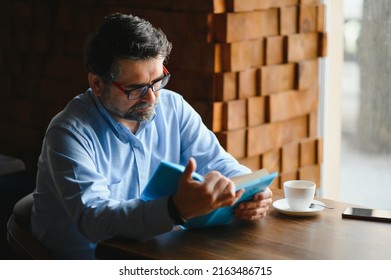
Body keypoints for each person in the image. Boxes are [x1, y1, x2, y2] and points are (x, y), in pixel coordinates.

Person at [31, 13, 273, 259]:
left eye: (158, 81)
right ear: (97, 84)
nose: (153, 98)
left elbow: (218, 161)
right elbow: (95, 220)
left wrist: (249, 191)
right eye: (136, 89)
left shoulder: (173, 107)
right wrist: (174, 209)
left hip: (155, 251)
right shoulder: (68, 133)